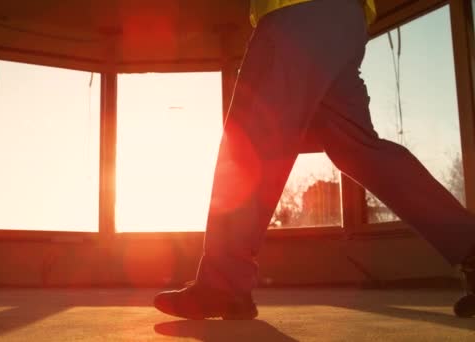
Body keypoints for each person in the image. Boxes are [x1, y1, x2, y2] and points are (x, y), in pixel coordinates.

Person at [153, 0, 475, 320]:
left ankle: (222, 284)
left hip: (295, 11)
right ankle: (470, 246)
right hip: (346, 18)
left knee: (247, 146)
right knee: (360, 150)